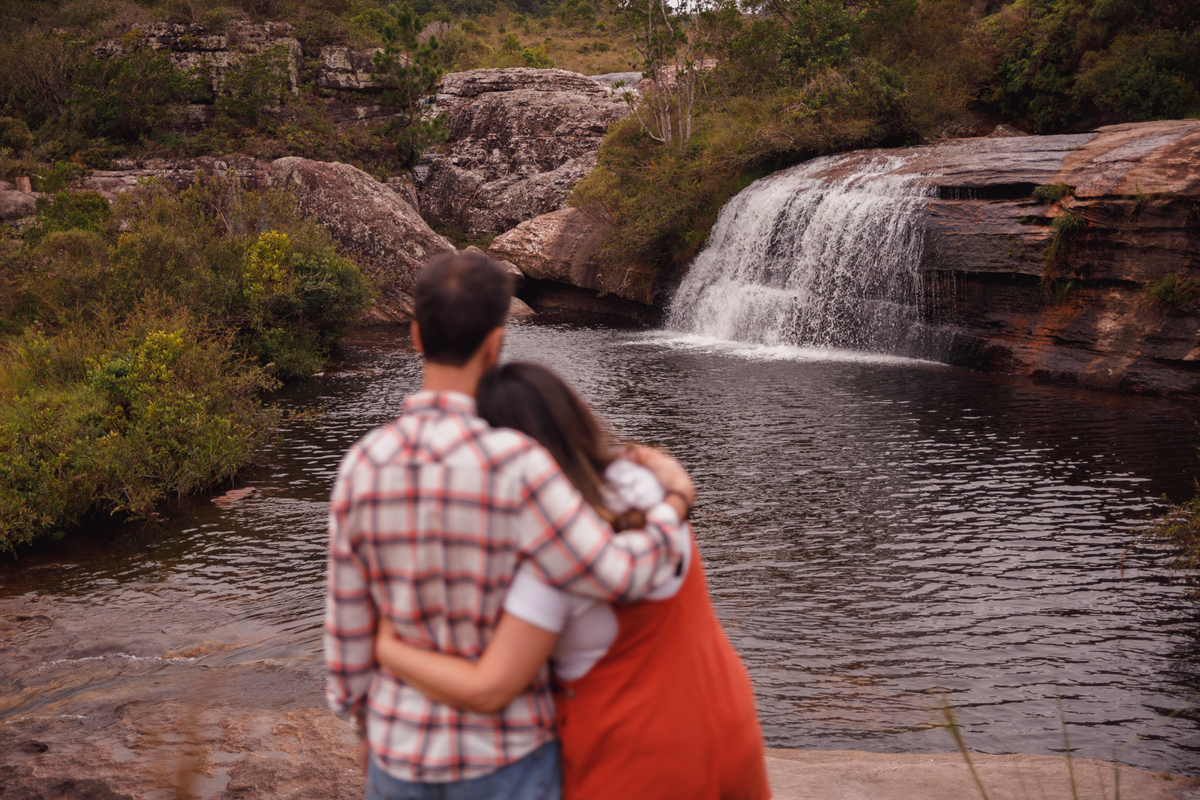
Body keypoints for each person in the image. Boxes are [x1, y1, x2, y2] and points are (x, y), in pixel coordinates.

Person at [323, 250, 695, 800]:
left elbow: (349, 624)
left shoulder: (361, 465)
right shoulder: (518, 463)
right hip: (508, 757)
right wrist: (673, 504)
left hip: (398, 752)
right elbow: (616, 574)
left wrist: (364, 727)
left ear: (417, 336)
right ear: (497, 342)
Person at [374, 362, 771, 800]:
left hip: (633, 760)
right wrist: (679, 493)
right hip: (728, 721)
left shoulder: (553, 560)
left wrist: (388, 648)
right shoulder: (645, 481)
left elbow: (490, 688)